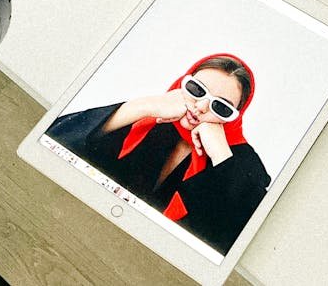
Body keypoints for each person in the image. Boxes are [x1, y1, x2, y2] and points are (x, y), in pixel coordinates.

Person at [48, 53, 270, 255]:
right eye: (197, 90)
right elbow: (53, 140)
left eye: (221, 107)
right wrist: (141, 107)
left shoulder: (244, 163)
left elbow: (242, 240)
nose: (201, 106)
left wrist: (222, 156)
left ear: (236, 117)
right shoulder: (147, 118)